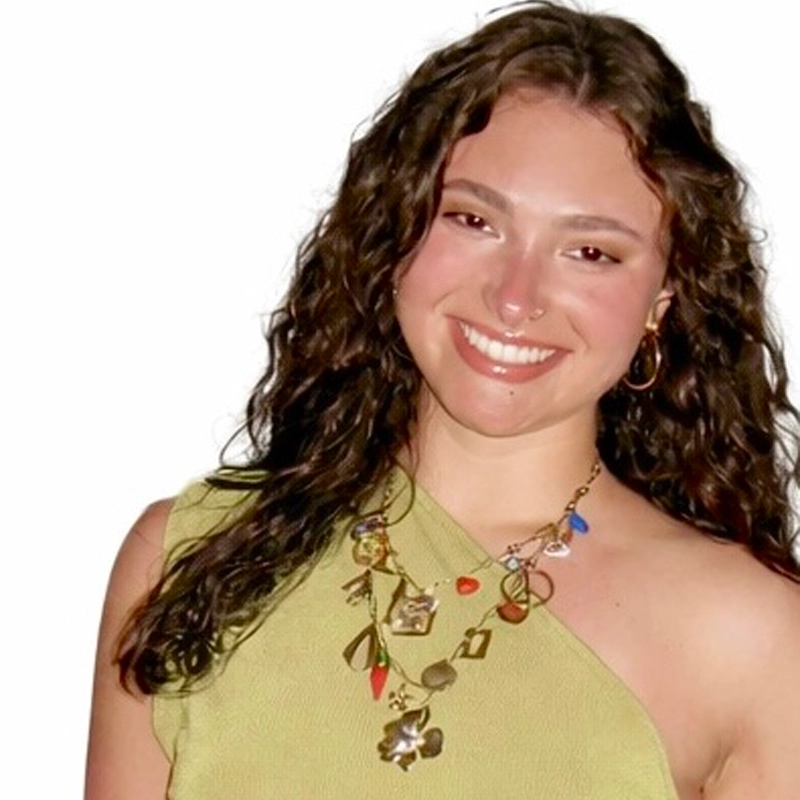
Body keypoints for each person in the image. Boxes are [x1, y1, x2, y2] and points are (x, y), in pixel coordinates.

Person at [85, 2, 800, 798]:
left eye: (591, 251)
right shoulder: (186, 558)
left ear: (663, 299)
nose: (516, 297)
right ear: (396, 231)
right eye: (474, 219)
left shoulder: (754, 639)